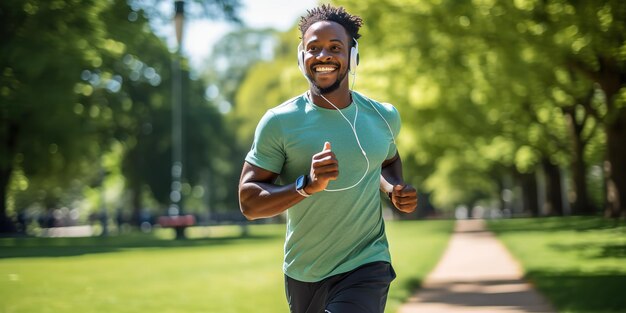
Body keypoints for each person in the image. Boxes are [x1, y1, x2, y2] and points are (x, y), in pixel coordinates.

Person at [238, 4, 417, 313]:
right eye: (314, 49)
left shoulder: (383, 116)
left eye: (335, 47)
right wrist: (306, 185)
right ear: (301, 58)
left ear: (353, 55)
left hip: (367, 262)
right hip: (303, 271)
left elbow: (386, 161)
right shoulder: (279, 122)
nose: (323, 56)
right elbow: (249, 202)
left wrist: (394, 189)